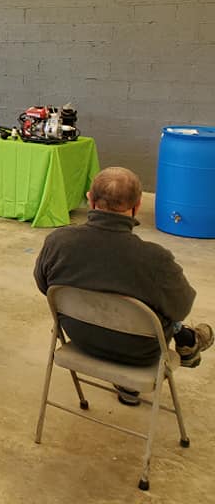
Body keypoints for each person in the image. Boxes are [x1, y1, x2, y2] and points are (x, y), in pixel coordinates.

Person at [34, 166, 212, 404]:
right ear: (138, 206)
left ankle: (136, 379)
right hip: (140, 354)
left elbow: (43, 285)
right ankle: (187, 339)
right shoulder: (155, 259)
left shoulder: (57, 242)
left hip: (80, 337)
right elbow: (180, 308)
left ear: (90, 199)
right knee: (160, 304)